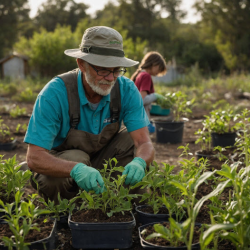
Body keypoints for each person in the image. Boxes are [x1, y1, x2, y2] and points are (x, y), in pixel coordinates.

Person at [23, 26, 155, 203]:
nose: (110, 77)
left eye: (116, 70)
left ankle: (121, 206)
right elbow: (34, 157)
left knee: (134, 144)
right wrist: (76, 169)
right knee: (76, 159)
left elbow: (144, 142)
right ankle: (73, 212)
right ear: (81, 64)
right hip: (64, 162)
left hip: (102, 158)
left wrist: (139, 162)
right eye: (102, 69)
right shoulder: (55, 93)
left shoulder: (126, 89)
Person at [131, 52, 167, 133]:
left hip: (135, 118)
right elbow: (141, 100)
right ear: (154, 64)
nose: (159, 71)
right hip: (141, 120)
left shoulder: (140, 74)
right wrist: (155, 96)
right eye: (159, 68)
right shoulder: (146, 76)